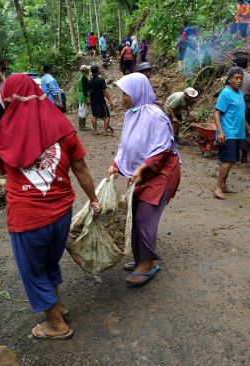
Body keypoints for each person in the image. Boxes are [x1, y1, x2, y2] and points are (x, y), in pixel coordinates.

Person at [0, 74, 100, 340]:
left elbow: (5, 172)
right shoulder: (61, 124)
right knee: (49, 262)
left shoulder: (4, 133)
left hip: (27, 219)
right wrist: (94, 199)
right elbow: (80, 167)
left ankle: (57, 325)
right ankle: (58, 306)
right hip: (62, 213)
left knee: (33, 271)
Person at [107, 72, 181, 286]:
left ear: (137, 92)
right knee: (134, 212)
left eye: (125, 94)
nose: (122, 98)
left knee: (144, 217)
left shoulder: (155, 116)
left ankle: (148, 263)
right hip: (142, 173)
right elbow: (126, 146)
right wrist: (115, 165)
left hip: (162, 173)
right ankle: (142, 258)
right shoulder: (132, 114)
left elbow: (163, 148)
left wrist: (143, 167)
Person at [213, 67, 250, 199]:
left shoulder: (239, 95)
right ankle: (218, 188)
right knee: (228, 161)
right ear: (229, 79)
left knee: (231, 161)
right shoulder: (225, 93)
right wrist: (220, 132)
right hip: (227, 132)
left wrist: (249, 129)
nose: (239, 81)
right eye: (236, 78)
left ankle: (223, 186)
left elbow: (241, 116)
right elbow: (217, 112)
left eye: (241, 78)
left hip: (237, 133)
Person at [235, 56, 250, 163]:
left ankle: (234, 155)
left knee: (233, 127)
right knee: (245, 129)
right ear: (247, 65)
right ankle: (244, 156)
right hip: (246, 105)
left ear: (236, 64)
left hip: (234, 104)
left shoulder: (232, 77)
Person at [88, 65, 114, 135]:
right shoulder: (101, 80)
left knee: (94, 116)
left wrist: (89, 101)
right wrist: (110, 101)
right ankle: (105, 132)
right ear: (97, 71)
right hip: (100, 101)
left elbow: (89, 92)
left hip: (93, 101)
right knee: (107, 116)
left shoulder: (89, 81)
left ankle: (94, 131)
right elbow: (104, 91)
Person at [77, 65, 92, 131]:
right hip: (84, 95)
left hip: (81, 95)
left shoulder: (80, 77)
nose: (89, 70)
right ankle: (82, 126)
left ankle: (81, 125)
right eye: (87, 69)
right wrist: (88, 98)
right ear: (85, 70)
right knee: (84, 110)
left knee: (81, 109)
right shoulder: (84, 78)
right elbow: (85, 89)